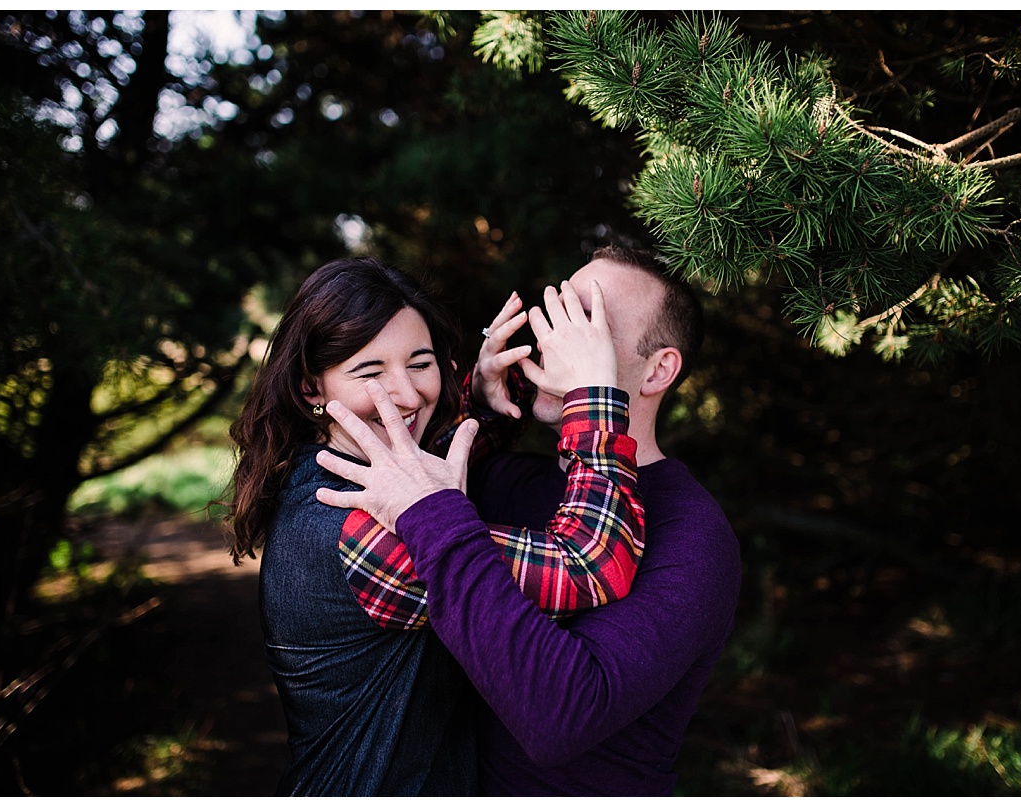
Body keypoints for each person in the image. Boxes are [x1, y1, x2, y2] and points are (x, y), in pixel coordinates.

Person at [316, 245, 743, 795]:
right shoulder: (506, 480)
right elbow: (421, 470)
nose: (554, 340)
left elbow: (559, 718)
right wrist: (478, 401)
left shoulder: (695, 537)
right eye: (558, 314)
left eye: (586, 327)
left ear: (659, 370)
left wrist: (592, 395)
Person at [224, 256, 647, 796]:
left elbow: (431, 474)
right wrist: (595, 396)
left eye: (420, 363)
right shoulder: (360, 529)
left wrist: (487, 400)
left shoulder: (330, 469)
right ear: (311, 388)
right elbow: (590, 563)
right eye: (370, 372)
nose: (407, 394)